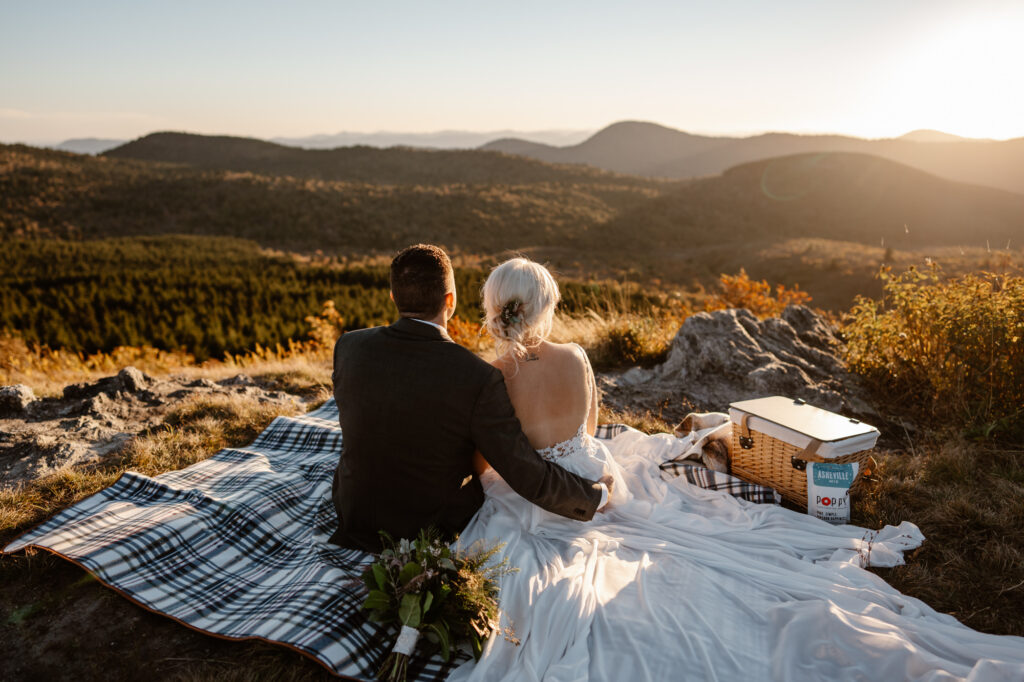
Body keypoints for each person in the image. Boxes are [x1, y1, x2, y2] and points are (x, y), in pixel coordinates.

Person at [448, 257, 1024, 682]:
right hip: (593, 474)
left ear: (494, 308)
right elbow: (591, 424)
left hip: (532, 497)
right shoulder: (575, 358)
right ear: (546, 306)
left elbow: (486, 460)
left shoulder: (491, 376)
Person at [328, 244, 611, 552]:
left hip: (353, 512)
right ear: (451, 300)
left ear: (393, 296)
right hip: (425, 529)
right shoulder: (476, 375)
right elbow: (523, 472)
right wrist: (595, 497)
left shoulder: (349, 347)